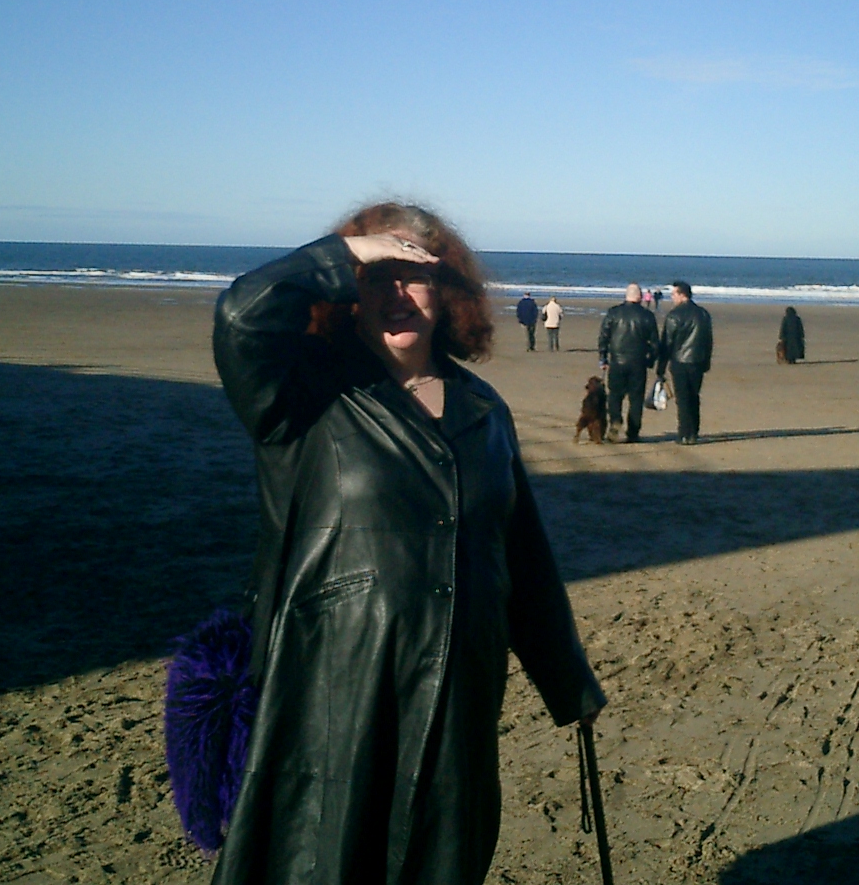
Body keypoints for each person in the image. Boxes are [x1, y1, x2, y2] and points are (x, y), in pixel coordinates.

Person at [211, 201, 605, 885]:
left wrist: (567, 680)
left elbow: (521, 557)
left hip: (459, 692)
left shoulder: (483, 411)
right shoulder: (300, 392)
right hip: (334, 687)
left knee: (441, 859)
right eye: (376, 277)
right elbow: (241, 315)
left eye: (414, 276)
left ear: (446, 291)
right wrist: (348, 251)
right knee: (325, 857)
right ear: (348, 290)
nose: (397, 295)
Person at [597, 283, 659, 443]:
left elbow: (603, 336)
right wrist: (650, 361)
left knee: (615, 396)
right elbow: (654, 344)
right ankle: (633, 432)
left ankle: (615, 420)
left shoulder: (614, 313)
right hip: (638, 362)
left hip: (617, 361)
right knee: (636, 399)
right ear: (639, 297)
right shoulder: (647, 316)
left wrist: (603, 358)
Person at [657, 280, 713, 444]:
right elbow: (708, 341)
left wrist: (661, 366)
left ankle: (684, 433)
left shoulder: (675, 315)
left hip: (680, 361)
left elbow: (667, 342)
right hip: (697, 361)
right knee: (693, 397)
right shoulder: (702, 314)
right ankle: (693, 432)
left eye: (673, 294)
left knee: (683, 398)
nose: (672, 297)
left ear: (682, 295)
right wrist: (706, 361)